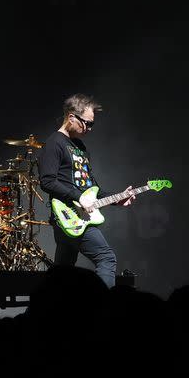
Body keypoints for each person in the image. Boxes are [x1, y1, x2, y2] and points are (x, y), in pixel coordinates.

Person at [37, 94, 135, 288]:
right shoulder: (54, 143)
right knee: (106, 258)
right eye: (87, 123)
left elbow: (91, 189)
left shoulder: (80, 147)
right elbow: (47, 181)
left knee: (62, 273)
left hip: (77, 217)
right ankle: (102, 310)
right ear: (72, 117)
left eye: (92, 125)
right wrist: (78, 198)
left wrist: (118, 198)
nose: (89, 129)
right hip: (68, 215)